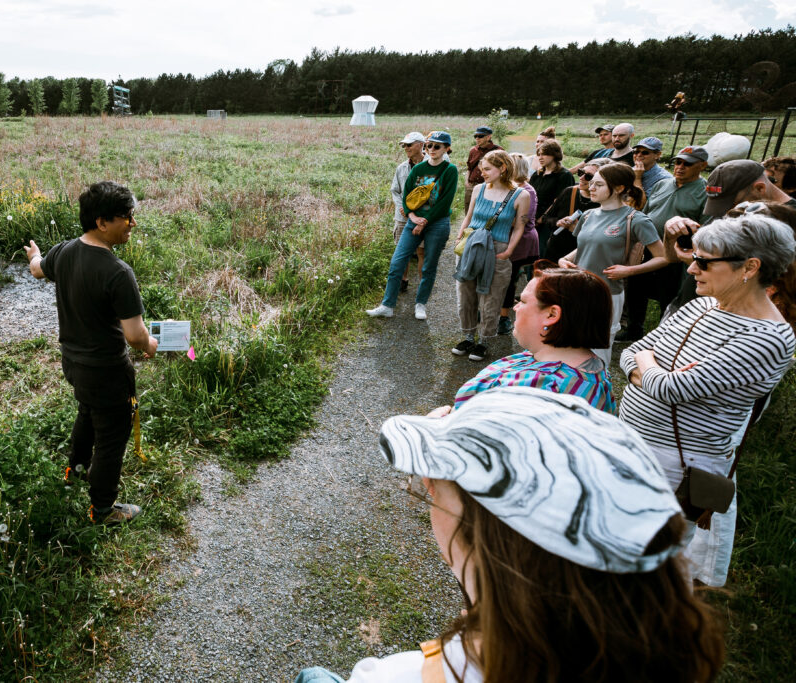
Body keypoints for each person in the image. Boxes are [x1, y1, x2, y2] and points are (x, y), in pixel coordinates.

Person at [295, 387, 725, 683]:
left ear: (494, 536)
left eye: (433, 484)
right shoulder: (656, 649)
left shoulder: (401, 675)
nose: (426, 487)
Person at [619, 214, 796, 587]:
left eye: (704, 261)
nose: (691, 269)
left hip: (675, 466)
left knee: (652, 568)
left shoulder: (769, 337)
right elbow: (633, 352)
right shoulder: (704, 304)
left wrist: (652, 370)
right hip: (634, 444)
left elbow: (673, 390)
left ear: (750, 267)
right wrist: (656, 371)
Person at [24, 180, 158, 525]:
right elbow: (134, 336)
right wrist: (150, 344)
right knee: (113, 437)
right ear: (102, 222)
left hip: (74, 363)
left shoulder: (66, 251)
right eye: (126, 218)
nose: (132, 224)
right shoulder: (118, 273)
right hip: (107, 371)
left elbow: (38, 269)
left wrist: (34, 254)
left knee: (87, 412)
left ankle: (76, 470)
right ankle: (102, 510)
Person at [452, 262, 616, 413]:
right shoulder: (591, 371)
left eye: (522, 301)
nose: (515, 308)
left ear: (551, 314)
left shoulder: (541, 389)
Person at [557, 162, 667, 369]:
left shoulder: (636, 219)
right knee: (571, 345)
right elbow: (583, 248)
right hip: (577, 289)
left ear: (618, 188)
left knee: (597, 351)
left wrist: (629, 270)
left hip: (607, 293)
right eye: (592, 183)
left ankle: (597, 391)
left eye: (598, 184)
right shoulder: (588, 215)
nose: (591, 187)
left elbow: (663, 257)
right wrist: (565, 259)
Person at [663, 158, 796, 317]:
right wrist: (670, 234)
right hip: (689, 307)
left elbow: (764, 280)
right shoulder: (734, 209)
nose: (726, 213)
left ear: (760, 188)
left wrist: (701, 262)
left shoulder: (789, 223)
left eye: (733, 203)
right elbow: (672, 258)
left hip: (728, 320)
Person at [618, 146, 708, 342]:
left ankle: (663, 336)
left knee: (668, 293)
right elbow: (647, 211)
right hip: (648, 246)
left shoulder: (705, 192)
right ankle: (634, 329)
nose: (680, 167)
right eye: (678, 162)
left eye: (687, 164)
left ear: (703, 165)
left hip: (677, 252)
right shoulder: (662, 184)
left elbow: (705, 227)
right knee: (636, 288)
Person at [367, 131, 459, 321]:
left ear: (446, 149)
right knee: (397, 262)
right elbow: (406, 194)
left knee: (429, 266)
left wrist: (424, 221)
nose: (432, 149)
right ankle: (387, 305)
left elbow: (445, 201)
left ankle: (420, 304)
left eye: (437, 146)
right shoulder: (418, 169)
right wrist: (412, 215)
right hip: (413, 219)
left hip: (437, 222)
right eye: (429, 145)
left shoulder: (450, 170)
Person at [452, 150, 530, 361]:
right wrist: (459, 238)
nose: (482, 173)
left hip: (498, 248)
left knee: (491, 297)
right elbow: (468, 217)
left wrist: (508, 252)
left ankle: (484, 340)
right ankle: (468, 336)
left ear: (502, 168)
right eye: (481, 169)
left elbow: (519, 227)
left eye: (487, 169)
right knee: (466, 292)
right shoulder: (478, 189)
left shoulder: (521, 195)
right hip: (472, 245)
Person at [497, 153, 538, 335]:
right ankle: (492, 310)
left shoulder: (526, 191)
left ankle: (504, 318)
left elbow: (519, 221)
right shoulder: (506, 187)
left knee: (509, 278)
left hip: (520, 241)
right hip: (504, 236)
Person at [540, 158, 605, 262]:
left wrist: (578, 229)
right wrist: (558, 222)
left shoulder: (603, 202)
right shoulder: (569, 192)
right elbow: (545, 218)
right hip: (555, 251)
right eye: (580, 172)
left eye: (588, 176)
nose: (582, 178)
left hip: (581, 256)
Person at [391, 132, 427, 292]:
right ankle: (402, 281)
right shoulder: (402, 168)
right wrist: (402, 207)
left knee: (421, 251)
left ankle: (422, 285)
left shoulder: (432, 165)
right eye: (404, 145)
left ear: (420, 144)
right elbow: (395, 190)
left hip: (423, 216)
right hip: (402, 216)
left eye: (409, 145)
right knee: (401, 250)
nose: (406, 148)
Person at [528, 139, 575, 258]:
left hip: (549, 222)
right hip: (532, 220)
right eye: (539, 154)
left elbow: (559, 200)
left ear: (555, 155)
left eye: (544, 154)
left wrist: (542, 218)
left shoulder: (564, 175)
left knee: (542, 253)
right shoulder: (537, 174)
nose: (540, 157)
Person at [463, 126, 502, 212]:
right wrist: (467, 182)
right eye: (475, 136)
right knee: (469, 211)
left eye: (480, 136)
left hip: (489, 186)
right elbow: (469, 168)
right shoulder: (473, 150)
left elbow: (503, 170)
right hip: (472, 186)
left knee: (485, 212)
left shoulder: (498, 151)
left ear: (488, 137)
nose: (477, 138)